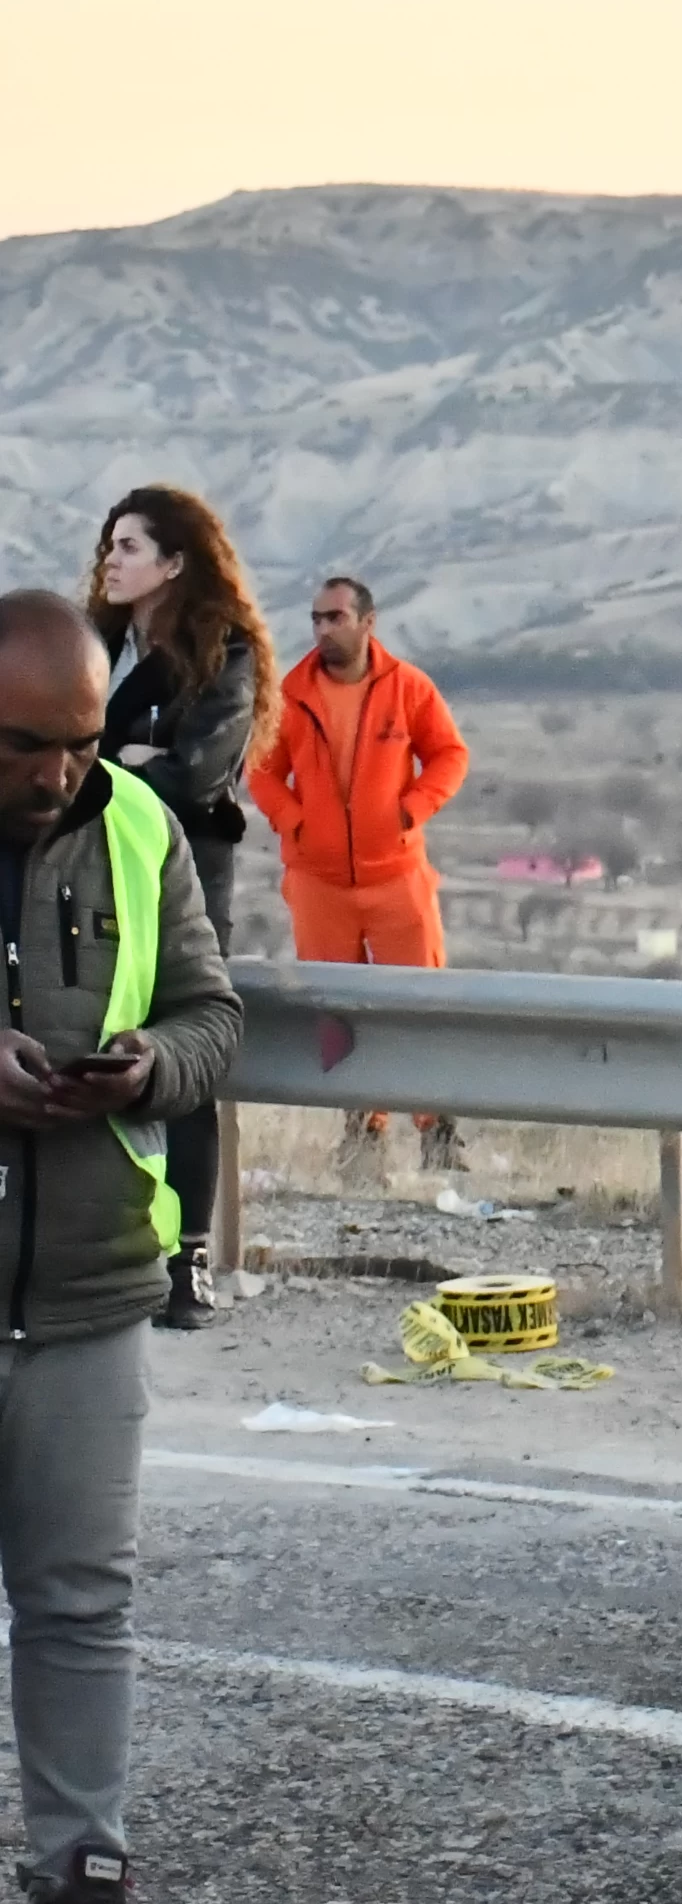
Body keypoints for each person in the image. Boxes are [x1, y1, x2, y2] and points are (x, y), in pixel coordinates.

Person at [0, 587, 242, 1904]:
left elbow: (218, 1020)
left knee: (83, 1607)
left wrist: (148, 1064)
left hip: (90, 1291)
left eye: (82, 742)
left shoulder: (142, 831)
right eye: (30, 746)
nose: (62, 772)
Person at [86, 489, 273, 1330]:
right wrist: (127, 757)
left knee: (186, 1059)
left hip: (185, 876)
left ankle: (186, 1258)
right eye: (108, 545)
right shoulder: (94, 645)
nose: (111, 560)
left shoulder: (225, 654)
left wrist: (109, 766)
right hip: (88, 875)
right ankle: (98, 1242)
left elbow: (197, 775)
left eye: (129, 546)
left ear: (174, 562)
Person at [248, 576, 472, 1179]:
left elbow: (450, 754)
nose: (323, 629)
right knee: (336, 1013)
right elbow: (262, 770)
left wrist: (410, 810)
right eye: (316, 618)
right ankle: (360, 1137)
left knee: (419, 1005)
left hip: (398, 876)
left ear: (367, 622)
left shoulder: (407, 688)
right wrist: (294, 823)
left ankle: (439, 1137)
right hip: (318, 882)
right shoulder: (289, 694)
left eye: (336, 617)